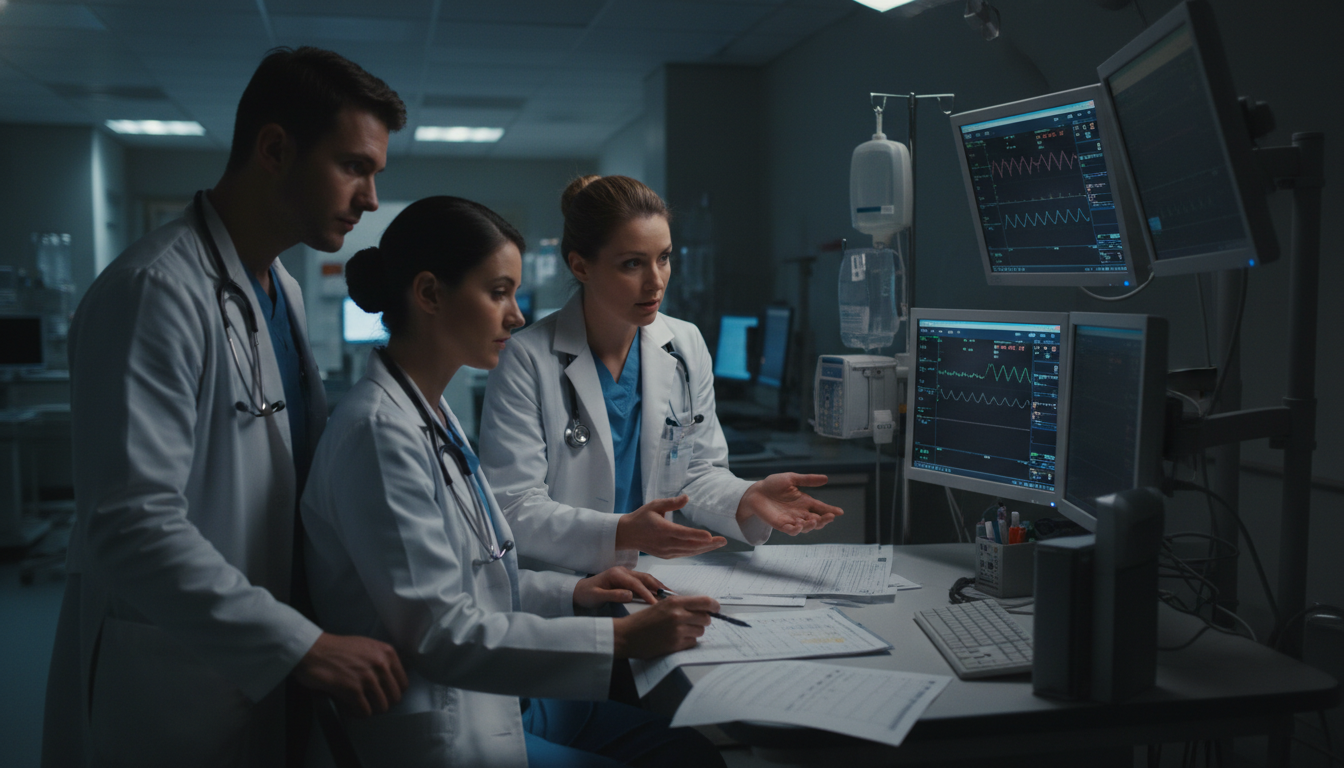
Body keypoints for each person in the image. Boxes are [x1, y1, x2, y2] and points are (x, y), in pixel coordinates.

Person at [43, 48, 410, 768]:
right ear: (274, 148)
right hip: (174, 677)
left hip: (262, 658)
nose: (370, 198)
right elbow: (127, 524)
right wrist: (295, 642)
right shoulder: (153, 291)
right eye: (353, 166)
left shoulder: (281, 290)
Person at [302, 195, 725, 767]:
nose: (518, 315)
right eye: (498, 292)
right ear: (429, 294)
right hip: (445, 723)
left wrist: (573, 592)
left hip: (500, 696)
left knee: (687, 752)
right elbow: (443, 634)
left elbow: (478, 579)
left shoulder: (429, 412)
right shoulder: (378, 434)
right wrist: (622, 639)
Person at [479, 175, 844, 574]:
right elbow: (512, 507)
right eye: (632, 264)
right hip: (560, 586)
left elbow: (697, 473)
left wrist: (747, 497)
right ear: (581, 266)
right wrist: (621, 533)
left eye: (664, 258)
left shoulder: (685, 345)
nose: (656, 281)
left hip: (656, 579)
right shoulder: (525, 360)